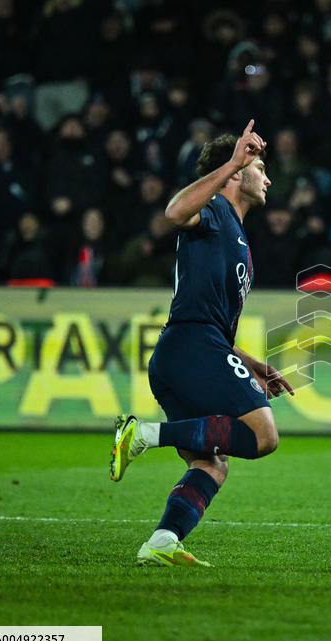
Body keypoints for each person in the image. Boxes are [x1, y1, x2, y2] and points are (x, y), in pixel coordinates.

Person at [109, 120, 294, 567]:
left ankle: (161, 542)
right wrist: (233, 159)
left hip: (189, 351)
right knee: (264, 436)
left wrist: (251, 363)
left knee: (211, 463)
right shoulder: (212, 212)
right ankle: (141, 434)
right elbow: (172, 213)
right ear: (235, 173)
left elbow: (216, 323)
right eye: (259, 167)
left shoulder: (239, 238)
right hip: (190, 348)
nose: (266, 178)